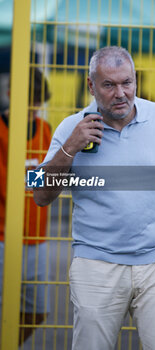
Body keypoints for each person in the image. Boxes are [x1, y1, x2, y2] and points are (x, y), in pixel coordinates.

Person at [34, 46, 155, 350]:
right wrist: (70, 148)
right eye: (109, 84)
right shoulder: (70, 127)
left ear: (135, 81)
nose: (121, 93)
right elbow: (40, 195)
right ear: (91, 86)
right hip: (95, 263)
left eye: (127, 83)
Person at [0, 67, 51, 345]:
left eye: (36, 107)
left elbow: (41, 177)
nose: (33, 113)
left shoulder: (44, 129)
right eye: (27, 107)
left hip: (35, 237)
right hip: (2, 237)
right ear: (10, 96)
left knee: (37, 310)